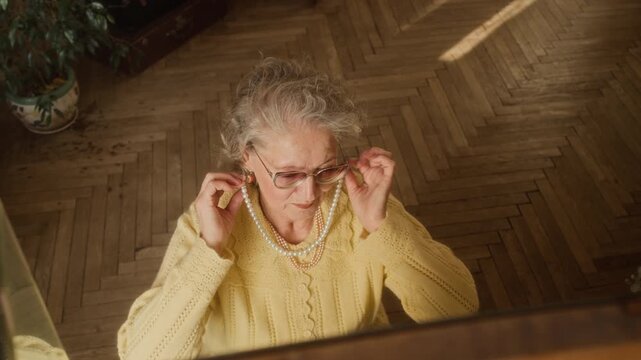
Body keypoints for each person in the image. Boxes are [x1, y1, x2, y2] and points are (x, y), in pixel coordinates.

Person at [117, 57, 479, 359]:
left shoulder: (360, 203)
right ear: (246, 157)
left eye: (326, 168)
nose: (310, 192)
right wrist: (208, 250)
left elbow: (460, 310)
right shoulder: (208, 223)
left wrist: (381, 225)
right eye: (288, 174)